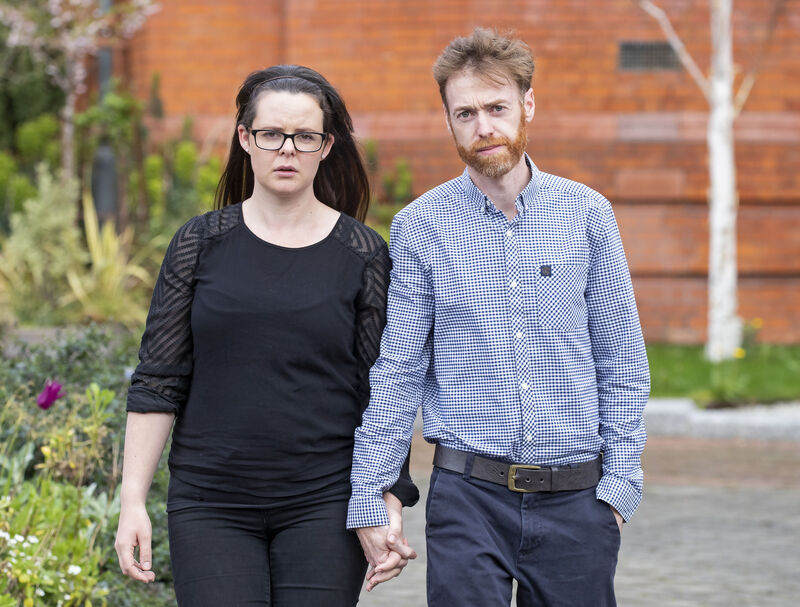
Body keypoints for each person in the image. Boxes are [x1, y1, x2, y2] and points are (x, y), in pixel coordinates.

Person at [348, 28, 650, 606]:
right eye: (465, 113)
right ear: (448, 121)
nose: (483, 127)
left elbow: (623, 361)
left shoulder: (586, 213)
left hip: (577, 500)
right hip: (468, 497)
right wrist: (373, 491)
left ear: (527, 105)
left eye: (496, 108)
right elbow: (399, 369)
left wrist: (619, 490)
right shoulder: (420, 226)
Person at [114, 64, 418, 607]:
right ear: (245, 139)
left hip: (324, 500)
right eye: (271, 134)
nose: (287, 150)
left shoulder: (365, 254)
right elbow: (159, 380)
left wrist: (387, 493)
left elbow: (384, 392)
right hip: (211, 502)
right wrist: (132, 500)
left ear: (325, 146)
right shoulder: (199, 244)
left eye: (305, 137)